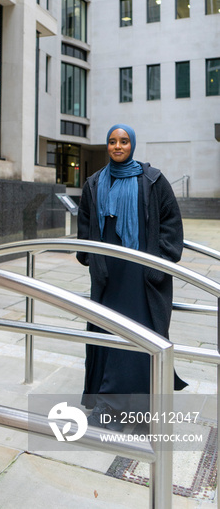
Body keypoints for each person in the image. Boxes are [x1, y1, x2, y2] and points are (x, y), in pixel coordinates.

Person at [76, 124, 186, 430]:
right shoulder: (95, 182)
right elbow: (85, 223)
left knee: (141, 337)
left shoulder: (152, 180)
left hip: (141, 278)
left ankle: (139, 411)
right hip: (109, 276)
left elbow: (171, 223)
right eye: (112, 141)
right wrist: (91, 260)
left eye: (123, 141)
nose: (117, 146)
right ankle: (109, 406)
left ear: (132, 144)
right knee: (109, 337)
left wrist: (158, 262)